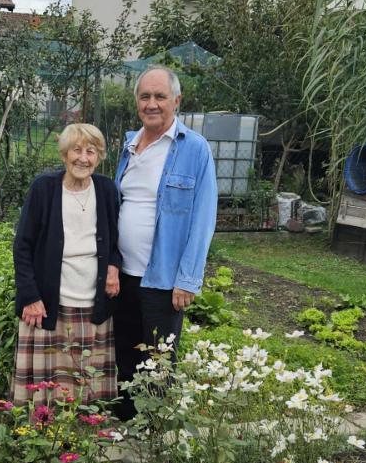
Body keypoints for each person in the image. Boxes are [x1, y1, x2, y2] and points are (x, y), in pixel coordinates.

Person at [112, 66, 218, 412]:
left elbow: (203, 219)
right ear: (137, 102)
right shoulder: (130, 145)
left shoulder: (194, 149)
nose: (152, 104)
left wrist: (187, 279)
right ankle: (125, 424)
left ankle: (154, 429)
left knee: (158, 362)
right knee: (125, 354)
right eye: (145, 96)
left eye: (160, 96)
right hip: (123, 275)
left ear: (176, 101)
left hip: (163, 279)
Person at [13, 123, 120, 404]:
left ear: (99, 157)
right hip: (48, 303)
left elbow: (116, 240)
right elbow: (22, 246)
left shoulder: (107, 190)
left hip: (92, 301)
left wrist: (114, 265)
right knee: (46, 386)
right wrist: (30, 296)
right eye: (76, 150)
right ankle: (44, 425)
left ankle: (84, 425)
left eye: (91, 151)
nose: (83, 158)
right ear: (64, 155)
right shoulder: (44, 189)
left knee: (87, 381)